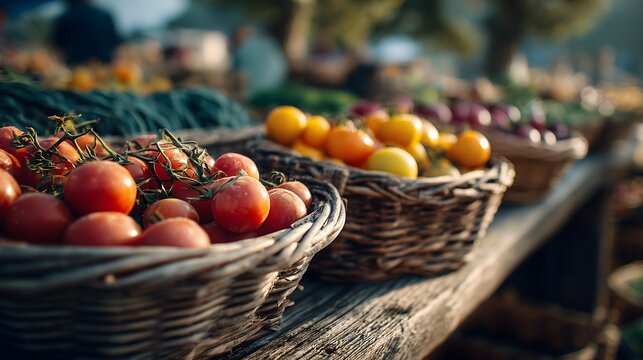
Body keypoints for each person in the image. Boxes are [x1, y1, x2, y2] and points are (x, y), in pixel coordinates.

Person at [52, 0, 119, 65]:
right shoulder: (105, 16)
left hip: (75, 69)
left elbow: (57, 50)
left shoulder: (64, 18)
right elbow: (117, 46)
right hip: (104, 67)